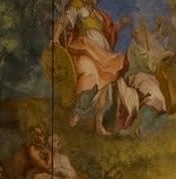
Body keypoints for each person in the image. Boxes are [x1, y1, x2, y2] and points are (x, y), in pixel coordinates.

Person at [55, 0, 129, 134]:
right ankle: (78, 112)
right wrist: (55, 38)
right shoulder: (78, 6)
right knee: (91, 78)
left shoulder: (99, 14)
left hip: (103, 54)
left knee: (104, 87)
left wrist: (121, 24)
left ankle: (99, 126)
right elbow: (63, 21)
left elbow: (110, 31)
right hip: (85, 49)